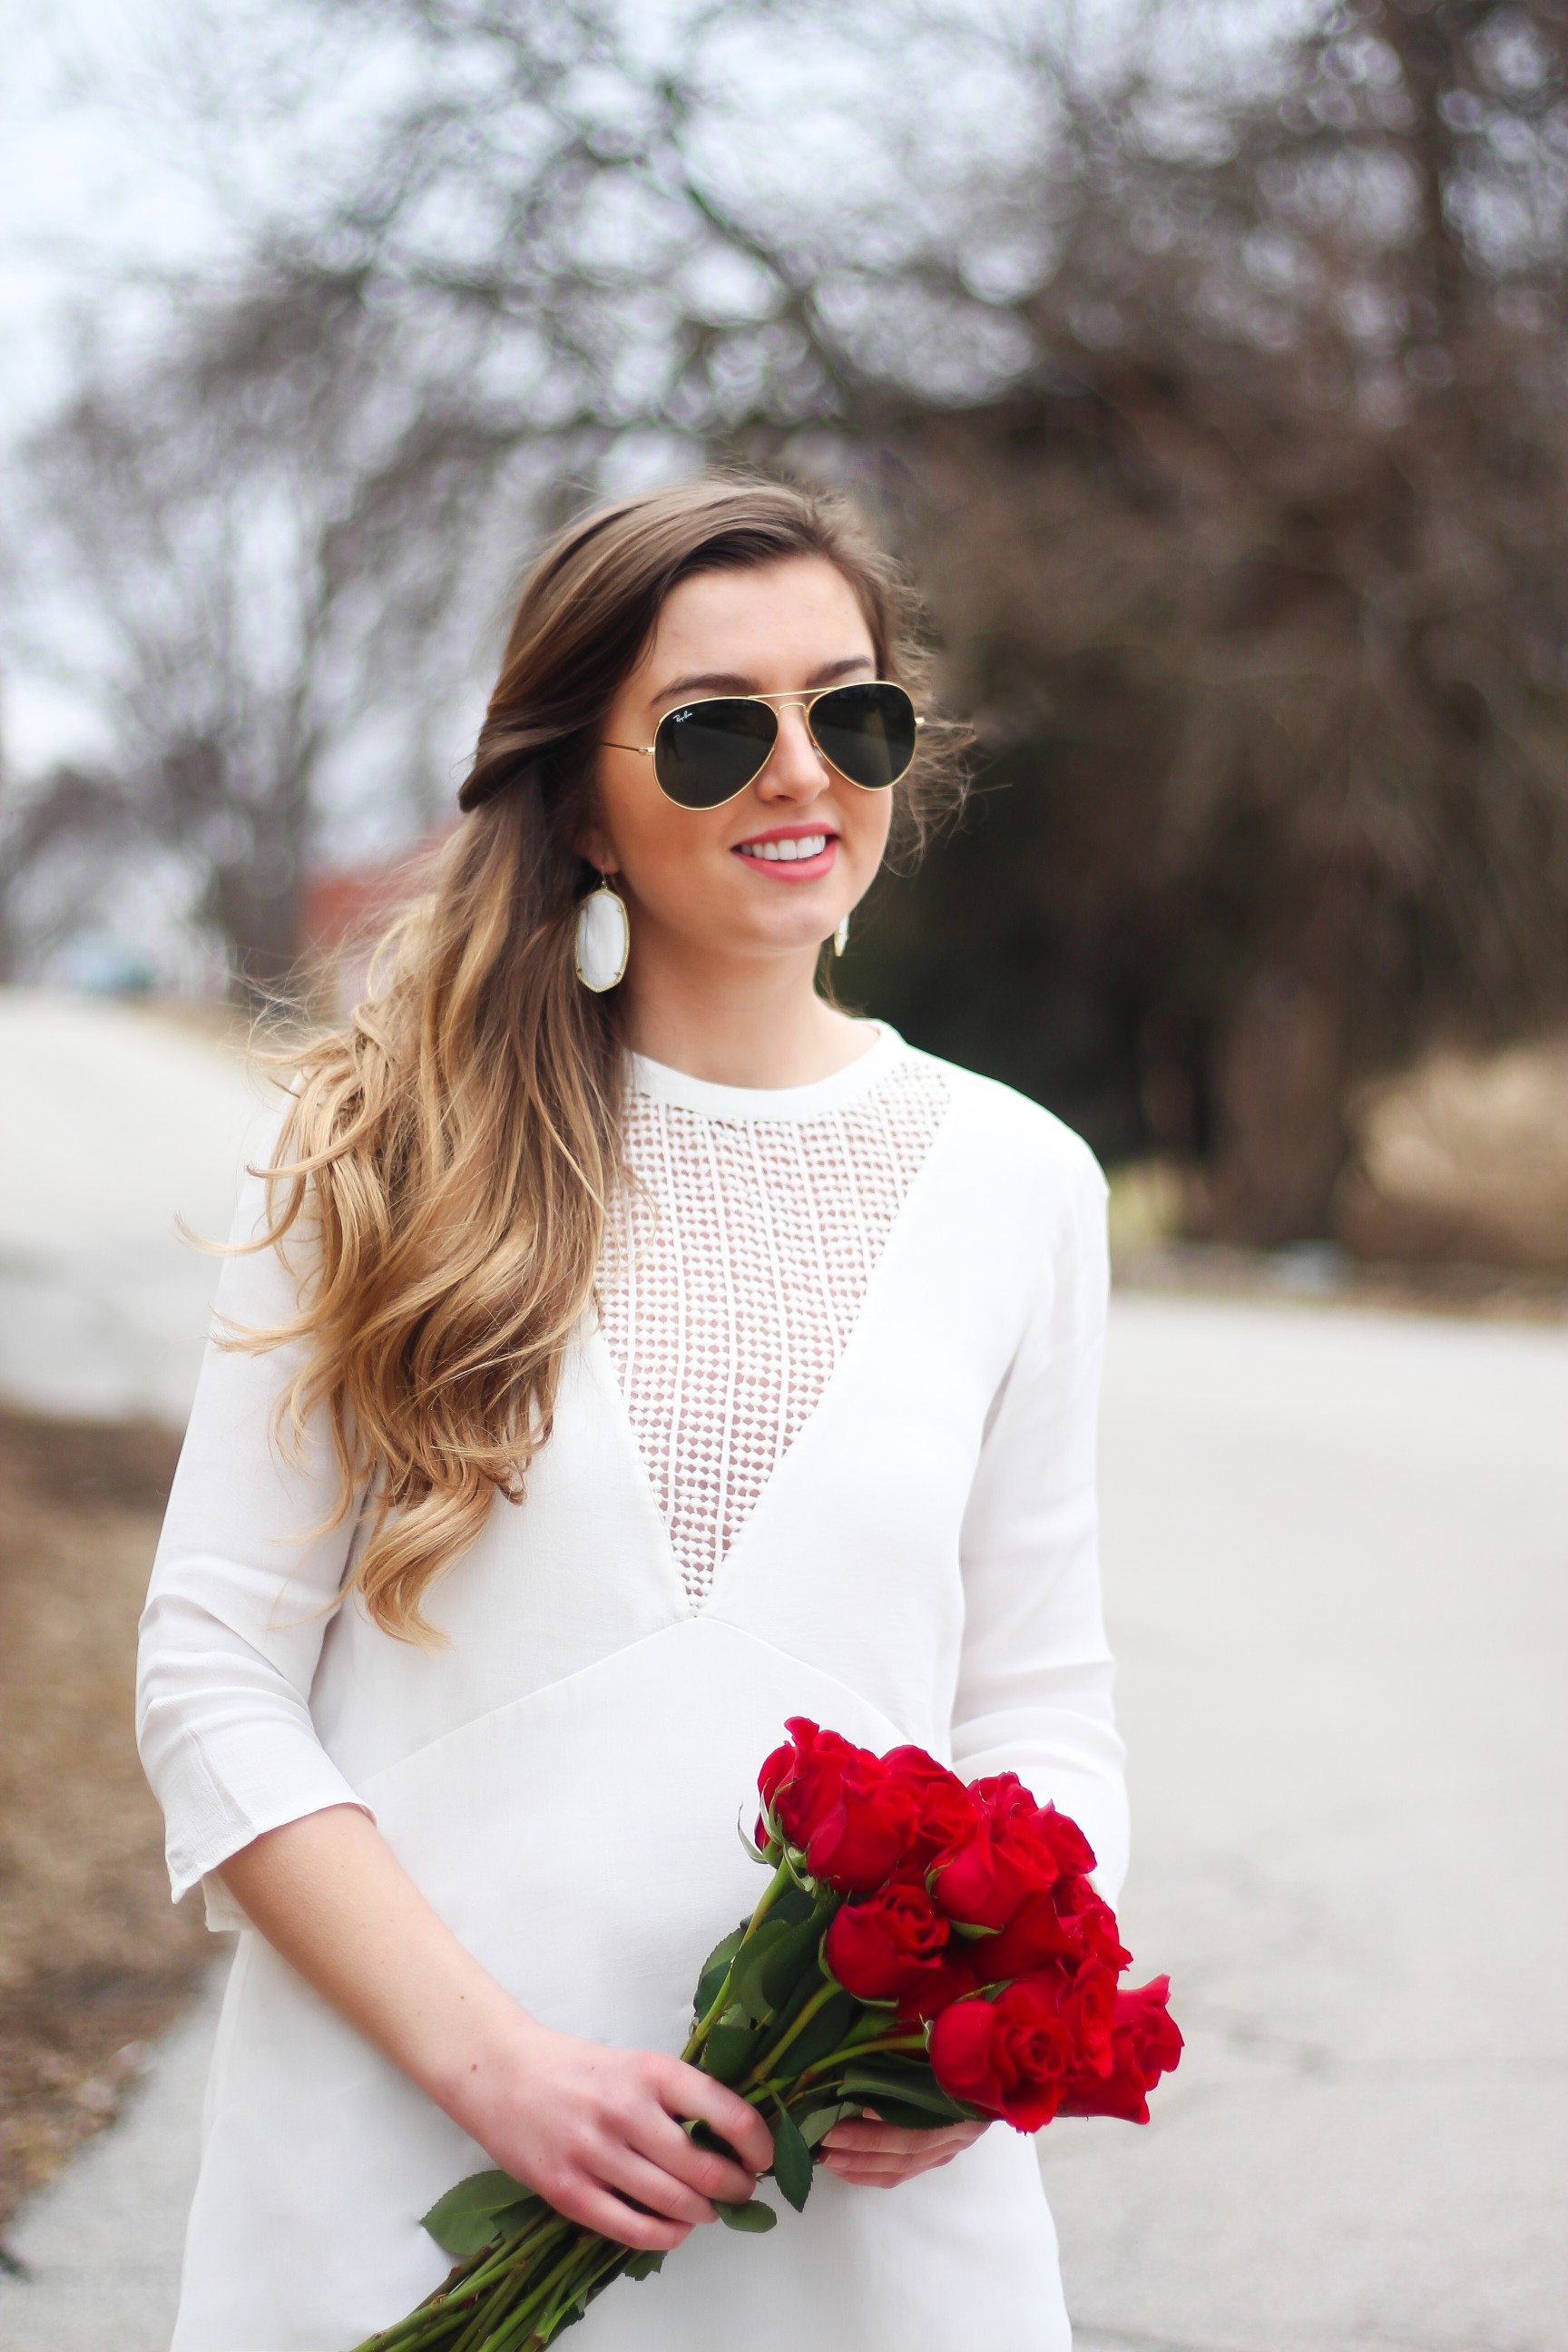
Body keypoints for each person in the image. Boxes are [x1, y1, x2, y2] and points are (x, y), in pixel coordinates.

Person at [137, 476, 1127, 2352]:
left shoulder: (1023, 1183)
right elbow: (210, 1677)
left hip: (845, 2193)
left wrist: (983, 2027)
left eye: (851, 713)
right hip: (402, 2162)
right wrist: (495, 2067)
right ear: (578, 794)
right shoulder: (378, 1149)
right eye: (712, 726)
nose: (798, 772)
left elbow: (1039, 1700)